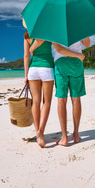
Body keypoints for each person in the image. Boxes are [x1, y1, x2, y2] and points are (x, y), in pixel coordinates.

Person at [52, 38, 90, 146]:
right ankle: (76, 135)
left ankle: (64, 137)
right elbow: (87, 44)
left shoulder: (54, 27)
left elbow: (59, 49)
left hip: (61, 63)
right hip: (76, 63)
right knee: (76, 98)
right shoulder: (79, 25)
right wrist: (78, 55)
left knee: (61, 100)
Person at [23, 19, 54, 148]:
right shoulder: (48, 31)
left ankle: (38, 132)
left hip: (33, 70)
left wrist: (26, 75)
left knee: (35, 101)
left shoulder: (27, 35)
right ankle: (41, 131)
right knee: (46, 102)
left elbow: (26, 56)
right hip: (46, 68)